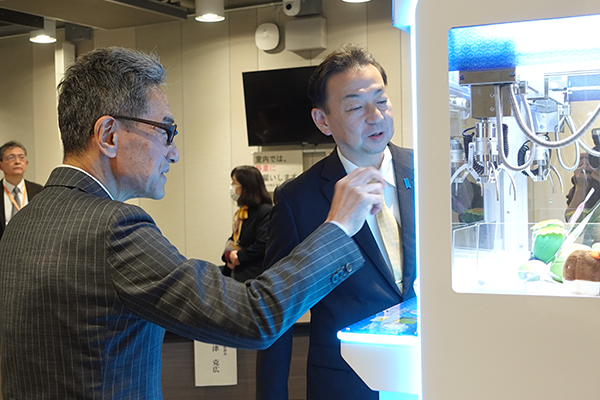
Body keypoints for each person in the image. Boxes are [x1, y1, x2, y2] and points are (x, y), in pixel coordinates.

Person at [0, 47, 388, 399]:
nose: (174, 153)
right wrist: (338, 227)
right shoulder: (114, 230)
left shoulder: (23, 223)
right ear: (108, 135)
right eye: (166, 131)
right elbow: (254, 316)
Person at [255, 43, 417, 400]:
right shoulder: (297, 200)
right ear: (322, 120)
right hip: (347, 382)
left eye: (381, 100)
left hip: (429, 372)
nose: (375, 115)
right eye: (356, 106)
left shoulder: (427, 170)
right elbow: (277, 312)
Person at [221, 165, 273, 282]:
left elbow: (263, 243)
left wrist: (239, 257)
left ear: (245, 187)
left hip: (253, 275)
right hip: (238, 271)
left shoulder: (265, 211)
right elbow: (236, 240)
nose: (232, 187)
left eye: (234, 182)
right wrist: (227, 255)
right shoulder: (244, 211)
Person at [0, 141, 43, 239]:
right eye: (11, 157)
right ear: (0, 165)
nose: (17, 161)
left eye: (21, 157)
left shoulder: (39, 191)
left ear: (26, 163)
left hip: (31, 244)